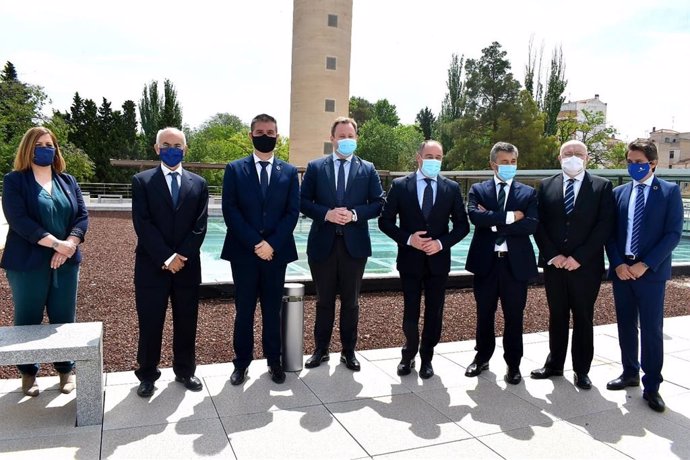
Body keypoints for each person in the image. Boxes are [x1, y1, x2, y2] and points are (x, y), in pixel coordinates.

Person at [1, 126, 88, 397]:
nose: (46, 148)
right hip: (27, 263)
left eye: (50, 143)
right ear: (29, 148)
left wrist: (69, 244)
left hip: (66, 261)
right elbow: (19, 220)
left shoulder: (67, 181)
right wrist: (55, 243)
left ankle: (65, 370)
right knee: (28, 318)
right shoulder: (15, 181)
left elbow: (82, 216)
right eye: (39, 144)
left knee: (63, 319)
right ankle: (28, 374)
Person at [378, 140, 469, 379]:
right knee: (410, 311)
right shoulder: (400, 185)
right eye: (429, 156)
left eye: (438, 157)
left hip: (438, 262)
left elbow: (462, 226)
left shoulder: (451, 188)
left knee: (434, 311)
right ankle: (408, 354)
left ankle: (427, 357)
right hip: (410, 261)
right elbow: (384, 222)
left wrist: (440, 244)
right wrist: (409, 239)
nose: (434, 161)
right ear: (419, 157)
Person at [300, 116, 385, 371]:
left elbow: (379, 203)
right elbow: (302, 201)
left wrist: (355, 214)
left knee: (351, 302)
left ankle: (349, 352)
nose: (346, 140)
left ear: (356, 139)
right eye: (341, 136)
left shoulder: (367, 169)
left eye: (351, 136)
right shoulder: (315, 167)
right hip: (322, 245)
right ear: (332, 138)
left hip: (354, 247)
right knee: (324, 301)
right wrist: (326, 213)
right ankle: (321, 350)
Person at [605, 140, 683, 412]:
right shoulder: (619, 193)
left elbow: (673, 234)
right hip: (622, 272)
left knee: (651, 330)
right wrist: (617, 264)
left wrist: (645, 265)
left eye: (639, 162)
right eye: (629, 161)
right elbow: (611, 234)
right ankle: (629, 373)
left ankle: (652, 386)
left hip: (651, 274)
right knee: (626, 325)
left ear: (652, 163)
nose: (633, 166)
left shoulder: (670, 192)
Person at [221, 114, 299, 385]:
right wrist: (257, 243)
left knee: (272, 310)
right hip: (244, 253)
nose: (265, 135)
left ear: (278, 135)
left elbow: (292, 212)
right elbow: (230, 210)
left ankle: (274, 362)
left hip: (276, 254)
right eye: (260, 131)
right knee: (244, 311)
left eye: (270, 131)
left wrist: (272, 244)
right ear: (250, 135)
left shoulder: (289, 172)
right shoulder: (234, 169)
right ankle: (241, 363)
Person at [530, 140, 614, 390]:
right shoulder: (545, 186)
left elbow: (604, 225)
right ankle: (554, 364)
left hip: (586, 267)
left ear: (587, 158)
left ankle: (582, 370)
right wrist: (553, 255)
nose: (573, 157)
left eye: (578, 153)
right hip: (554, 265)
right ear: (559, 158)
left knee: (583, 317)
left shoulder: (601, 186)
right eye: (568, 154)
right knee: (556, 316)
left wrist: (579, 257)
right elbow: (539, 224)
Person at [132, 127, 209, 398]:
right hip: (152, 266)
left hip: (187, 267)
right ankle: (147, 374)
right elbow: (143, 223)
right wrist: (166, 256)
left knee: (186, 321)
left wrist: (181, 257)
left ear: (185, 149)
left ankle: (185, 370)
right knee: (151, 322)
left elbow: (199, 226)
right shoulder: (141, 181)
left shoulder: (198, 184)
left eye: (177, 144)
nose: (172, 149)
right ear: (157, 148)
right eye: (166, 144)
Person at [464, 142, 538, 385]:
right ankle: (482, 357)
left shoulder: (528, 193)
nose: (509, 166)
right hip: (486, 264)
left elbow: (531, 224)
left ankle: (514, 364)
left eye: (512, 162)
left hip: (514, 265)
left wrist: (493, 220)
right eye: (504, 162)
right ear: (492, 164)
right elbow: (476, 217)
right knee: (484, 314)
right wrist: (511, 217)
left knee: (514, 316)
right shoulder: (478, 189)